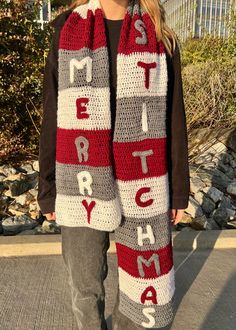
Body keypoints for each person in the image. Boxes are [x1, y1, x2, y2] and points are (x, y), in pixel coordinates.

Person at [37, 0, 190, 329]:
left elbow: (174, 117)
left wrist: (179, 190)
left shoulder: (160, 35)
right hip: (80, 180)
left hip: (143, 181)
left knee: (142, 285)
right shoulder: (68, 29)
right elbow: (53, 113)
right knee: (84, 286)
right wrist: (47, 187)